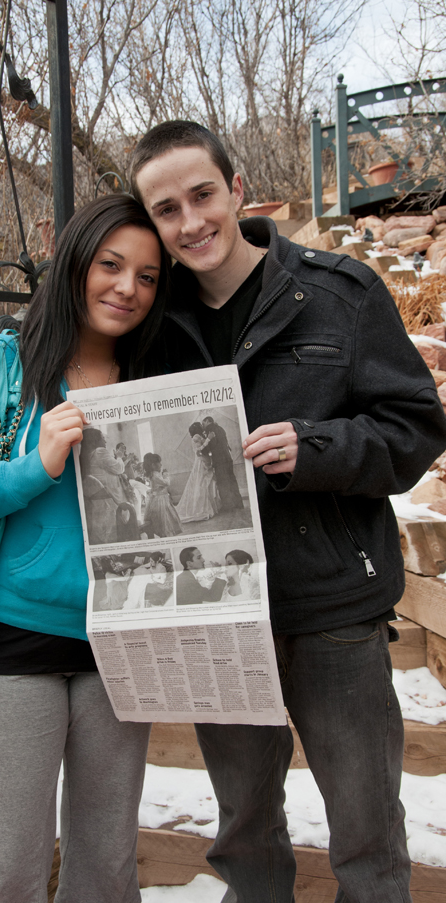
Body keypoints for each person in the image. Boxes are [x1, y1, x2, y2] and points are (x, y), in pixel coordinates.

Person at [130, 120, 446, 903]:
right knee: (243, 832)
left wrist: (319, 448)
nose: (192, 221)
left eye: (203, 195)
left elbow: (415, 427)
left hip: (332, 604)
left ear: (236, 190)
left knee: (368, 833)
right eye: (166, 210)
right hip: (213, 611)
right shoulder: (149, 323)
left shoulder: (340, 293)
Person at [0, 193, 170, 903]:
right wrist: (35, 465)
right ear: (75, 262)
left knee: (107, 866)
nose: (128, 288)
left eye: (148, 276)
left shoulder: (157, 382)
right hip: (15, 640)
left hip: (119, 643)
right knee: (11, 869)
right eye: (112, 265)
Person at [176, 421, 219, 522]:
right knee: (202, 484)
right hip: (201, 463)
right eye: (200, 426)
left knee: (206, 484)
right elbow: (198, 451)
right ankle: (200, 509)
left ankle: (210, 507)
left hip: (205, 461)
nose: (202, 426)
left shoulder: (199, 436)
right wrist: (208, 439)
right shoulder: (196, 437)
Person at [201, 416, 243, 510]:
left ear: (208, 421)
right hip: (228, 458)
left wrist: (204, 448)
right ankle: (238, 503)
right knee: (232, 480)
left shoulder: (209, 429)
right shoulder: (220, 428)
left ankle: (228, 506)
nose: (203, 426)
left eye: (203, 423)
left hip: (219, 461)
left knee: (222, 483)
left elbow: (211, 446)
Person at [142, 452, 183, 537]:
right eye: (159, 463)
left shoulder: (154, 474)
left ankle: (166, 533)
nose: (161, 465)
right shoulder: (155, 475)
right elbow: (166, 483)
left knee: (167, 517)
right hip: (160, 500)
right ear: (153, 465)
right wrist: (166, 475)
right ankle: (165, 533)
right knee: (164, 519)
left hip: (161, 498)